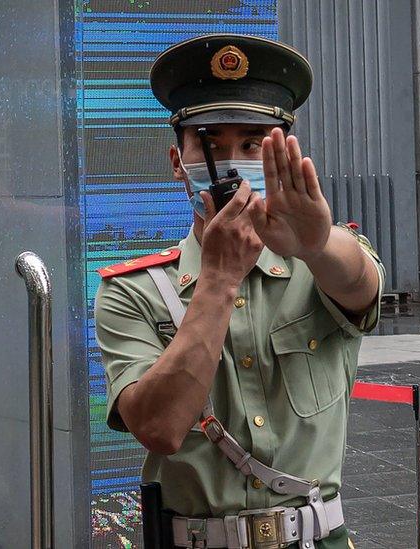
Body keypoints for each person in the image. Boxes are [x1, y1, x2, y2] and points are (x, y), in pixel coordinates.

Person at [95, 34, 384, 549]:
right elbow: (158, 427)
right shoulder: (132, 291)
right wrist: (219, 279)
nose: (232, 161)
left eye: (253, 143)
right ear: (177, 161)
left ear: (284, 155)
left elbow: (362, 287)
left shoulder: (320, 264)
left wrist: (315, 245)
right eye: (210, 142)